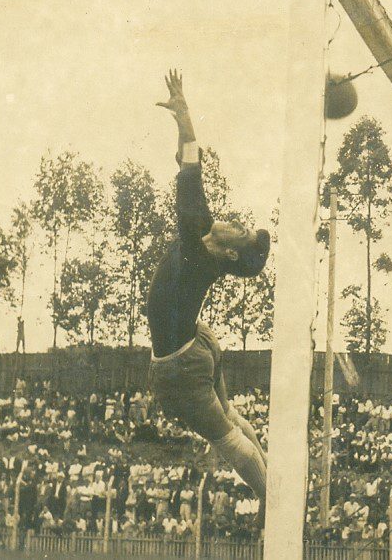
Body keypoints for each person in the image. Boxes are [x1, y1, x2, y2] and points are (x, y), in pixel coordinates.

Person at [146, 70, 270, 509]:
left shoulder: (199, 242)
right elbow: (187, 165)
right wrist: (182, 127)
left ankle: (276, 502)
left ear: (231, 253)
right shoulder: (206, 248)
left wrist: (185, 115)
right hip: (199, 344)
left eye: (240, 231)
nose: (233, 222)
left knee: (230, 440)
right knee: (232, 420)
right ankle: (276, 477)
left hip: (181, 367)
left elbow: (193, 169)